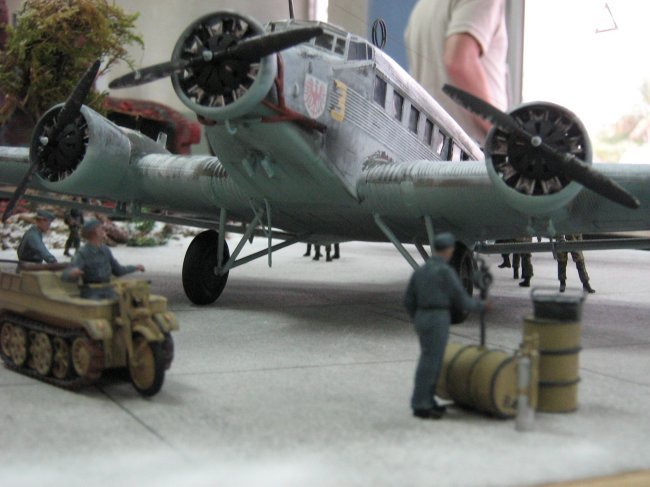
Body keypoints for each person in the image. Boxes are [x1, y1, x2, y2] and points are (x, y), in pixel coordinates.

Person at [404, 232, 487, 420]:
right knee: (432, 363)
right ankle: (422, 404)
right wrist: (482, 306)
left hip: (423, 317)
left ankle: (426, 401)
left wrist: (417, 317)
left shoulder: (421, 271)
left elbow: (408, 300)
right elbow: (462, 300)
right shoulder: (446, 272)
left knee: (427, 360)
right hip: (438, 318)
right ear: (448, 250)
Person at [405, 0, 509, 143]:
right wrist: (504, 133)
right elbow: (460, 62)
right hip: (466, 148)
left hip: (428, 144)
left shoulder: (423, 6)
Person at [62, 220, 145, 299]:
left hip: (107, 289)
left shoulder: (105, 250)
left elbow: (118, 270)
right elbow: (66, 274)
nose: (104, 231)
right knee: (97, 306)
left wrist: (136, 267)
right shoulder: (83, 252)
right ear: (96, 232)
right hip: (91, 291)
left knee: (126, 301)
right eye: (101, 228)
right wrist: (72, 273)